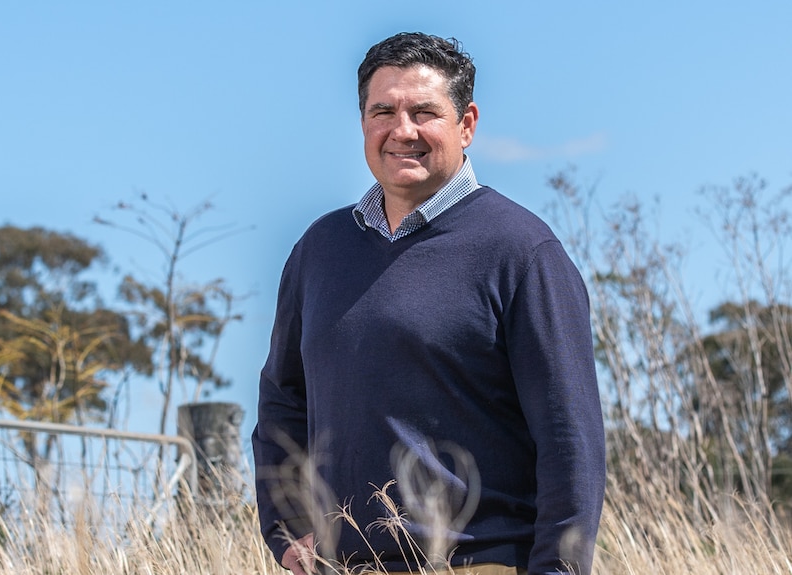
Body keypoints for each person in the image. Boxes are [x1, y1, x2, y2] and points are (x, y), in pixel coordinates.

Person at [252, 32, 605, 575]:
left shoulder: (521, 252)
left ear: (466, 125)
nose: (402, 131)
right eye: (383, 111)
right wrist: (286, 527)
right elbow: (282, 400)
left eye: (424, 112)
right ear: (363, 124)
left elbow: (569, 439)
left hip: (475, 562)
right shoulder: (320, 250)